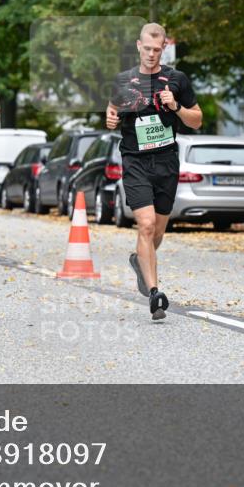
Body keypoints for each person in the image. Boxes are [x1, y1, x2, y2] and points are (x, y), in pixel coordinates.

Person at [106, 22, 201, 320]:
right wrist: (110, 119)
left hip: (166, 162)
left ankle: (139, 260)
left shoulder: (177, 79)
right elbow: (111, 111)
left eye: (156, 50)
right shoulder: (122, 80)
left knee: (157, 231)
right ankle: (154, 294)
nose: (150, 54)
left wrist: (175, 108)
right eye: (146, 48)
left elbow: (196, 120)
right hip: (135, 161)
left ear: (164, 49)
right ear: (138, 45)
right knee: (145, 225)